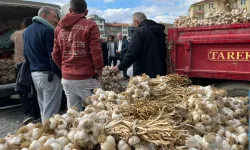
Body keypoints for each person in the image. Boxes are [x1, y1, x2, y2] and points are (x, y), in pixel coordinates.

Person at [52, 0, 103, 111]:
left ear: (70, 10)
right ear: (86, 11)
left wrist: (64, 69)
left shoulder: (58, 28)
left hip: (66, 78)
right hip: (86, 78)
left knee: (73, 114)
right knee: (98, 111)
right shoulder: (91, 25)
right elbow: (96, 51)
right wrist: (99, 71)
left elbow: (55, 54)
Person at [23, 7, 62, 123]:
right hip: (49, 75)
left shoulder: (27, 31)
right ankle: (48, 136)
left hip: (35, 74)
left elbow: (25, 54)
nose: (56, 20)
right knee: (51, 110)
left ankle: (43, 133)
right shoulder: (47, 31)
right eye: (54, 17)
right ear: (44, 16)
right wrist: (59, 74)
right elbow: (53, 56)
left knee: (43, 107)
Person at [112, 12, 166, 78]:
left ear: (136, 21)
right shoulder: (160, 31)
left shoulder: (139, 31)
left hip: (144, 75)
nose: (133, 25)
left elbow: (132, 52)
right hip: (160, 73)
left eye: (133, 22)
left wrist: (120, 66)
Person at [11, 17, 40, 124]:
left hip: (20, 65)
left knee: (22, 89)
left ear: (23, 25)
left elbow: (9, 41)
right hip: (32, 64)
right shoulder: (35, 33)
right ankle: (36, 113)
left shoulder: (16, 34)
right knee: (35, 89)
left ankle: (28, 113)